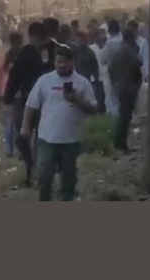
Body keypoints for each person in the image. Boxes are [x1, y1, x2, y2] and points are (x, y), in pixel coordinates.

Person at [22, 44, 98, 201]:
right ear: (54, 62)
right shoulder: (45, 80)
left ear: (73, 62)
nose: (62, 65)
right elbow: (31, 105)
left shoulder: (82, 83)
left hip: (71, 140)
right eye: (59, 61)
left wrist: (77, 101)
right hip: (47, 139)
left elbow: (93, 110)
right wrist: (25, 127)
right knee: (44, 176)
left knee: (68, 180)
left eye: (66, 62)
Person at [4, 21, 48, 186]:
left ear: (30, 35)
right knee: (39, 138)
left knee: (23, 138)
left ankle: (32, 168)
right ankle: (37, 170)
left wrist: (8, 97)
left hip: (28, 102)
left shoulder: (26, 52)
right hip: (44, 102)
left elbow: (14, 76)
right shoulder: (49, 52)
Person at [108, 28, 144, 153]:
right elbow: (136, 66)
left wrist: (114, 82)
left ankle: (119, 143)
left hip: (119, 85)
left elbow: (111, 68)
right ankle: (121, 145)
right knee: (125, 117)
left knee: (122, 115)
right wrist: (138, 81)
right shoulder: (129, 50)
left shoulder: (118, 50)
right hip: (129, 86)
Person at [0, 31, 23, 157]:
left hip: (7, 92)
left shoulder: (6, 57)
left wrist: (0, 92)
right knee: (18, 122)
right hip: (20, 92)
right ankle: (18, 150)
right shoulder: (23, 55)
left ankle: (9, 150)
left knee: (9, 122)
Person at [97, 19, 123, 116]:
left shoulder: (110, 43)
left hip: (112, 73)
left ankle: (114, 118)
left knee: (111, 98)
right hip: (124, 72)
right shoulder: (122, 40)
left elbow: (103, 59)